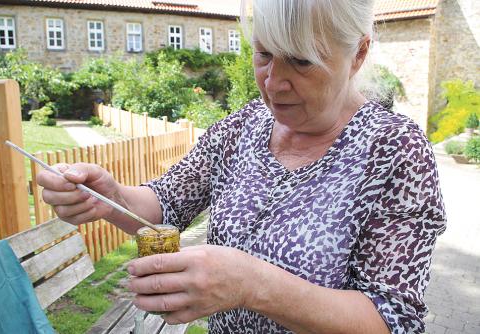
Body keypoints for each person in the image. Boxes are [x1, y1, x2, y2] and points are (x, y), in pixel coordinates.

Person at [37, 0, 447, 333]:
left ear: (358, 52)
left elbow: (392, 320)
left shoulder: (396, 150)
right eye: (264, 54)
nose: (273, 82)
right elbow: (167, 204)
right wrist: (111, 198)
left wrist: (253, 284)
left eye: (301, 61)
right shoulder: (245, 125)